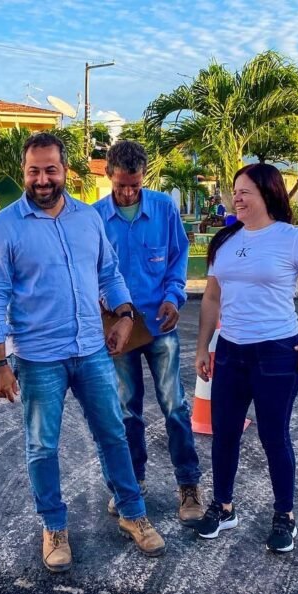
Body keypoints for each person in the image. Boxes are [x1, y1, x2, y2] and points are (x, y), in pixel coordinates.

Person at [0, 132, 165, 573]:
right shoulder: (4, 226)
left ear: (66, 171)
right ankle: (54, 526)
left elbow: (109, 273)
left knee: (113, 433)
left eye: (51, 170)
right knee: (42, 446)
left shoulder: (87, 218)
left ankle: (132, 513)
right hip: (38, 357)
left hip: (91, 351)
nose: (42, 179)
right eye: (34, 171)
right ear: (24, 172)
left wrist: (125, 315)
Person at [193, 163, 298, 553]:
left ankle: (285, 515)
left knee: (273, 435)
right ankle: (223, 507)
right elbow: (212, 297)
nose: (237, 198)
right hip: (230, 351)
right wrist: (202, 347)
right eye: (235, 191)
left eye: (245, 191)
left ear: (268, 193)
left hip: (277, 353)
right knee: (224, 433)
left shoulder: (292, 239)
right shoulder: (225, 240)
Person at [93, 141, 202, 526]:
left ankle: (188, 484)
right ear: (109, 175)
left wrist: (174, 297)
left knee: (175, 405)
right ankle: (133, 483)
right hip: (118, 332)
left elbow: (178, 257)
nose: (128, 193)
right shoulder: (94, 219)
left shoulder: (164, 208)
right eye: (121, 185)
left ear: (144, 178)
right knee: (126, 409)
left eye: (135, 185)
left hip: (159, 325)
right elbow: (90, 271)